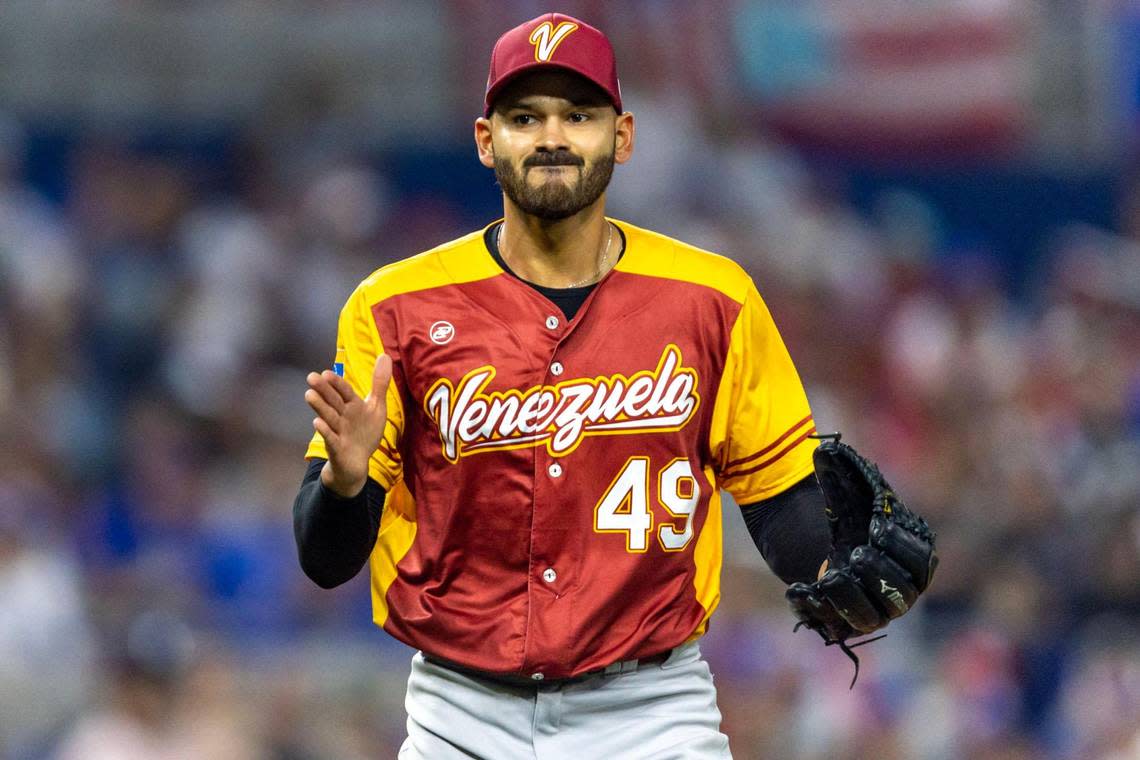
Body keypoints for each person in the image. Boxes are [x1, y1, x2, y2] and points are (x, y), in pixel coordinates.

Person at [293, 12, 921, 758]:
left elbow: (781, 510)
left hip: (650, 710)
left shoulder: (712, 300)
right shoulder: (394, 307)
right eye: (525, 116)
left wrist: (831, 564)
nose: (552, 136)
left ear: (622, 136)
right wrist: (344, 478)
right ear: (485, 140)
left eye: (578, 115)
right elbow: (325, 560)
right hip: (460, 714)